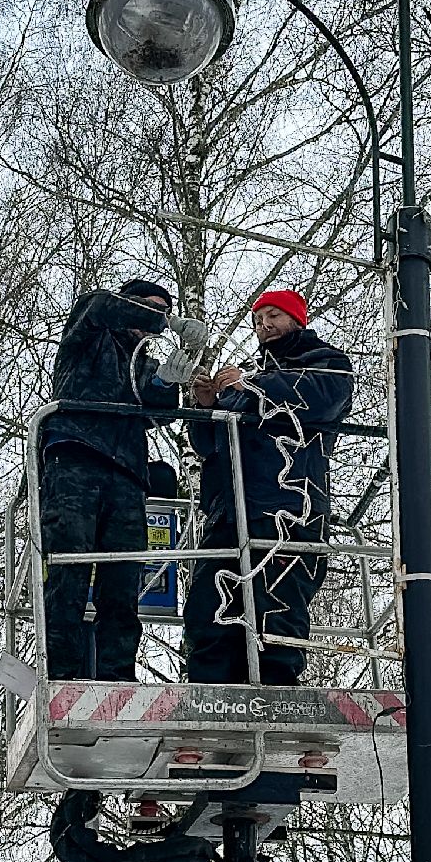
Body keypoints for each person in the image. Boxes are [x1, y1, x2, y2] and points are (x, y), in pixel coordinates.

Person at [184, 290, 354, 685]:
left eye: (274, 316)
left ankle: (280, 698)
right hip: (230, 510)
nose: (265, 327)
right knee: (211, 606)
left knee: (278, 605)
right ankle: (209, 698)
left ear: (297, 319)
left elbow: (323, 400)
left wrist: (253, 386)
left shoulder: (325, 363)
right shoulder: (248, 376)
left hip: (289, 509)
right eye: (259, 320)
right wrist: (206, 406)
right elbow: (208, 445)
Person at [40, 278, 205, 680]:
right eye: (148, 308)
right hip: (75, 458)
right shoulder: (90, 331)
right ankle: (61, 674)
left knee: (122, 581)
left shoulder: (141, 364)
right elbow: (99, 305)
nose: (152, 318)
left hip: (128, 473)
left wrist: (167, 383)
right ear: (128, 303)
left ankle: (118, 676)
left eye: (162, 309)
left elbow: (154, 413)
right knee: (70, 571)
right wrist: (166, 321)